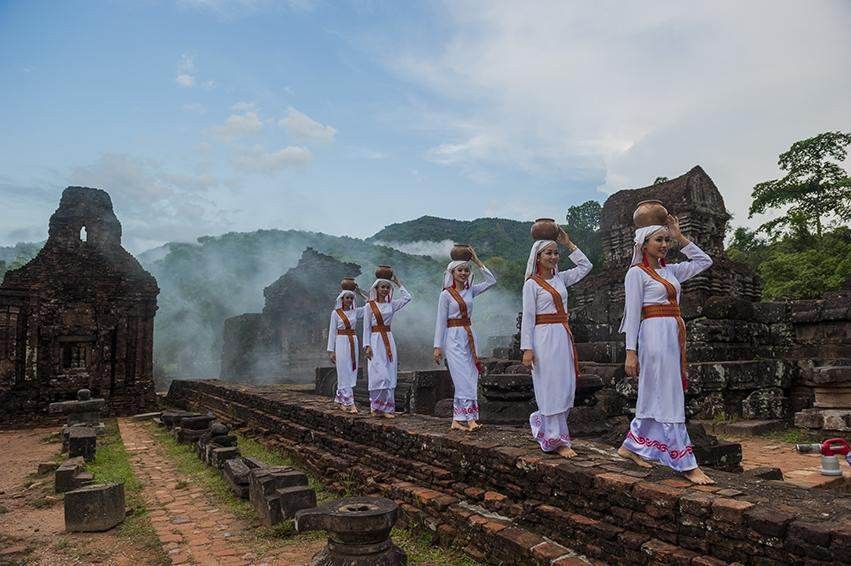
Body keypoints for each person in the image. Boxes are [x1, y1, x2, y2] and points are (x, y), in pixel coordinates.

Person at [617, 214, 714, 485]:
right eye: (659, 239)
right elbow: (633, 314)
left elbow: (705, 261)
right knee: (668, 394)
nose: (664, 244)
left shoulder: (670, 271)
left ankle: (631, 445)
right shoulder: (636, 274)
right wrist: (630, 351)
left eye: (666, 240)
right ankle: (685, 462)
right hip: (654, 336)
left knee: (656, 392)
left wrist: (680, 236)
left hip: (672, 337)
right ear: (643, 244)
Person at [520, 228, 592, 457]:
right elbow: (528, 317)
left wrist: (569, 245)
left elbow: (586, 267)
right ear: (538, 257)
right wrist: (527, 349)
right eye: (548, 253)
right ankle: (555, 439)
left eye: (555, 253)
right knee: (549, 385)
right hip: (543, 337)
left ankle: (549, 427)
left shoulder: (561, 278)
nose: (553, 257)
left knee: (565, 384)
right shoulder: (531, 284)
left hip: (562, 335)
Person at [433, 246, 497, 431]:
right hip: (452, 337)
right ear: (452, 272)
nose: (463, 273)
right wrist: (437, 346)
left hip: (469, 335)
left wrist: (477, 260)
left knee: (471, 375)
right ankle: (469, 419)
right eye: (459, 270)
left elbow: (492, 281)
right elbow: (440, 321)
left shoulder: (471, 291)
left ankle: (457, 419)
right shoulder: (445, 295)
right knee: (462, 377)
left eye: (466, 270)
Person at [363, 273, 412, 418]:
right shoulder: (369, 306)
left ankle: (387, 409)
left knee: (389, 375)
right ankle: (376, 405)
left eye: (387, 287)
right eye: (382, 287)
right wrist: (367, 345)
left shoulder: (392, 304)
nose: (384, 290)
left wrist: (398, 282)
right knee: (379, 375)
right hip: (375, 340)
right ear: (376, 289)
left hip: (389, 341)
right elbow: (366, 327)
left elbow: (408, 298)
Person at [327, 287, 368, 413]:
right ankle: (350, 403)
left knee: (351, 369)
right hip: (340, 341)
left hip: (353, 342)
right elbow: (332, 332)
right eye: (347, 298)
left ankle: (341, 400)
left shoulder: (356, 312)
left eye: (351, 298)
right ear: (342, 299)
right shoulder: (336, 313)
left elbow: (370, 305)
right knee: (343, 370)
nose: (349, 300)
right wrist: (331, 350)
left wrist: (360, 292)